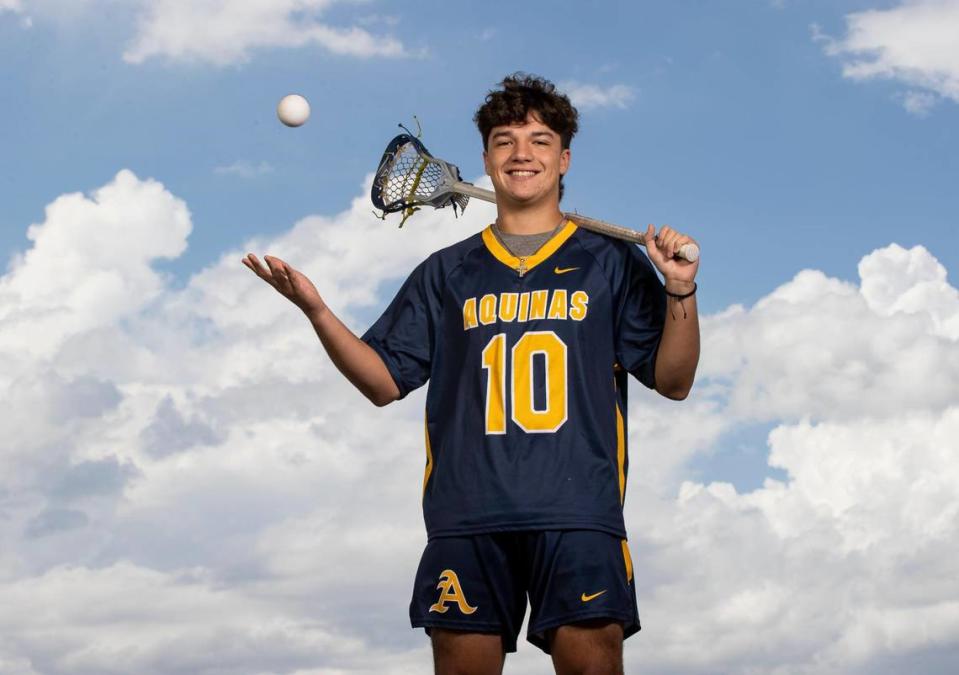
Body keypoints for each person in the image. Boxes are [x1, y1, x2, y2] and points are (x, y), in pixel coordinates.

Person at [243, 73, 700, 675]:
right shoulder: (446, 273)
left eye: (539, 140)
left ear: (563, 159)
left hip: (577, 511)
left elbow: (673, 380)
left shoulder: (610, 263)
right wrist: (317, 311)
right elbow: (382, 383)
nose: (522, 154)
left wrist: (680, 289)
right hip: (467, 514)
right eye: (506, 140)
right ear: (486, 158)